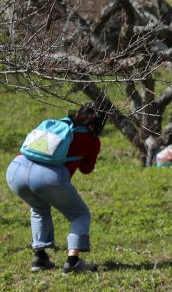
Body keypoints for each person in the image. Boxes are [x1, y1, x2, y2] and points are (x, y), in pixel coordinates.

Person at [7, 102, 106, 274]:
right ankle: (73, 262)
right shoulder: (91, 139)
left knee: (39, 208)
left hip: (16, 170)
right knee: (80, 214)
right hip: (47, 178)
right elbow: (86, 169)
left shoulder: (55, 124)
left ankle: (40, 257)